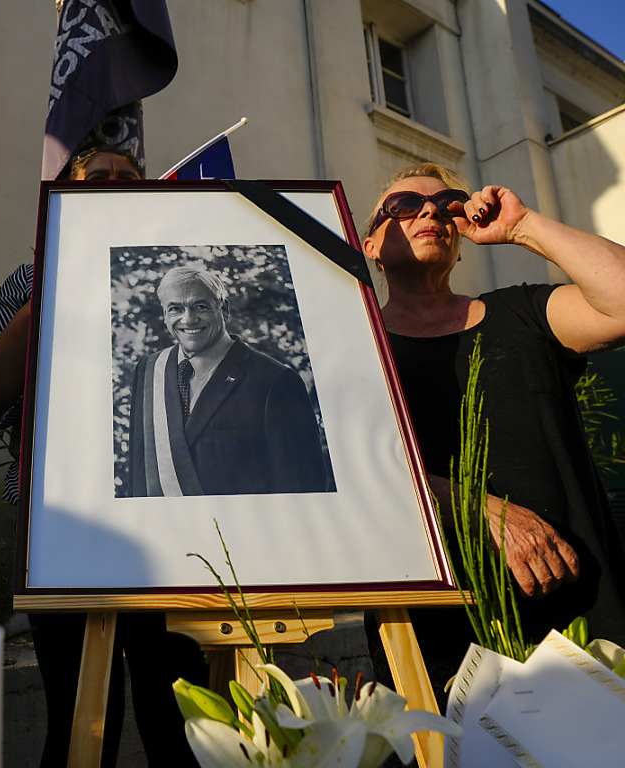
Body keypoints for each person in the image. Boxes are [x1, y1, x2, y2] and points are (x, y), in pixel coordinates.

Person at [0, 147, 207, 768]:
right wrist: (53, 280)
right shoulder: (30, 277)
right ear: (64, 193)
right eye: (99, 178)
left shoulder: (180, 284)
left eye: (129, 178)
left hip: (175, 525)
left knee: (182, 719)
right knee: (79, 724)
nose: (115, 185)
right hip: (65, 526)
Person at [360, 161, 625, 700]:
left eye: (447, 204)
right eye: (405, 207)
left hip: (580, 607)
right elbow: (349, 468)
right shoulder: (355, 345)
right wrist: (479, 508)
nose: (430, 212)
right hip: (437, 625)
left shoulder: (522, 312)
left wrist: (523, 226)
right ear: (371, 246)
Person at [127, 264, 329, 496]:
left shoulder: (275, 381)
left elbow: (303, 489)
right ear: (165, 315)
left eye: (200, 307)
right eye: (175, 309)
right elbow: (139, 472)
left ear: (224, 309)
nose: (188, 319)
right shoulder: (148, 370)